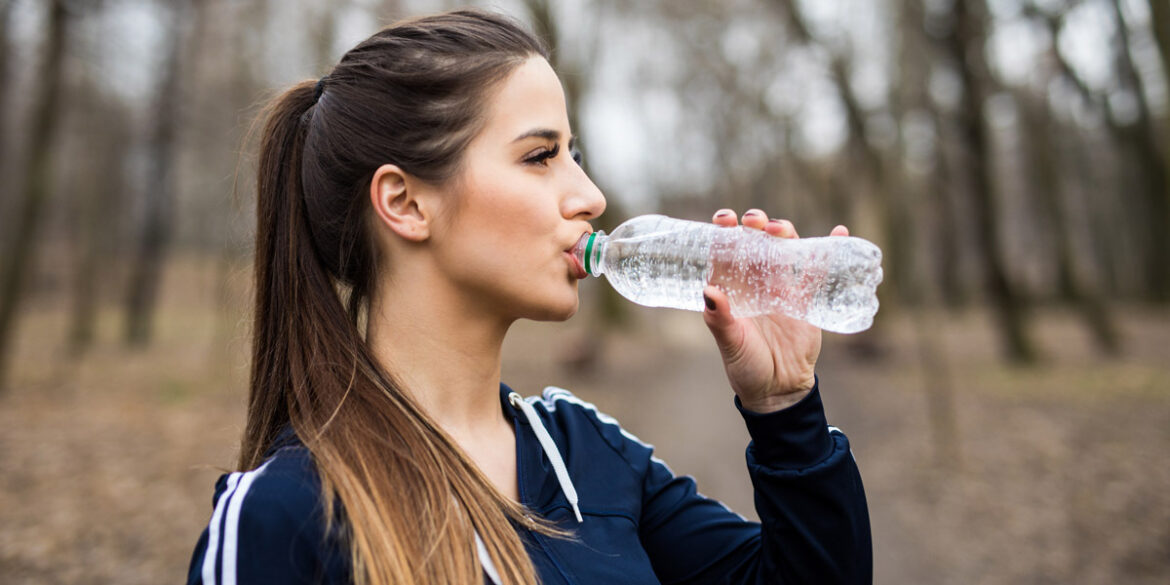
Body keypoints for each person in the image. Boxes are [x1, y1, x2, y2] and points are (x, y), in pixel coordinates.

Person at [187, 9, 871, 585]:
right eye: (541, 155)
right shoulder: (283, 515)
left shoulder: (589, 454)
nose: (590, 196)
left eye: (574, 153)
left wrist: (784, 408)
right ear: (405, 201)